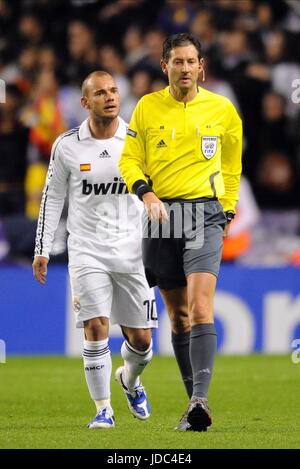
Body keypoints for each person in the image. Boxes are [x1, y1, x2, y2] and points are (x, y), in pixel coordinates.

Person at [119, 33, 242, 431]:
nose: (186, 68)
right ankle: (194, 405)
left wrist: (226, 209)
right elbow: (129, 160)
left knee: (202, 306)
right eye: (178, 62)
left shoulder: (223, 110)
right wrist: (146, 193)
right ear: (165, 66)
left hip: (204, 215)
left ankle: (200, 400)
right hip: (161, 216)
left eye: (192, 61)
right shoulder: (146, 107)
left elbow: (230, 166)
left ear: (201, 66)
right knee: (179, 316)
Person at [32, 71, 157, 429]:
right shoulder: (67, 145)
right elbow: (52, 197)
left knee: (142, 341)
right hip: (87, 250)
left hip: (134, 251)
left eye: (114, 90)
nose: (110, 97)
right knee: (95, 325)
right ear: (85, 102)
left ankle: (130, 381)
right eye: (100, 93)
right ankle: (103, 409)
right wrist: (42, 247)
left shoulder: (137, 139)